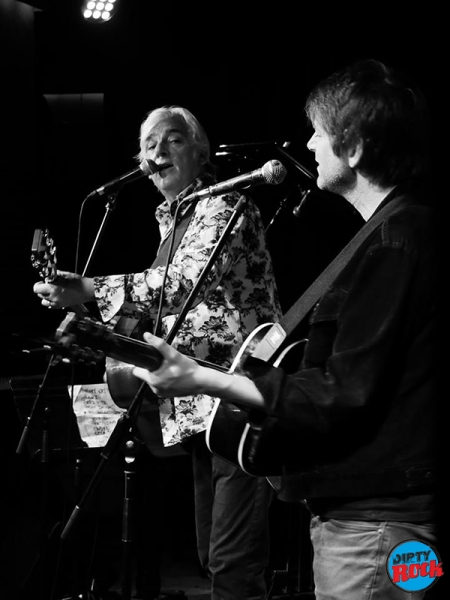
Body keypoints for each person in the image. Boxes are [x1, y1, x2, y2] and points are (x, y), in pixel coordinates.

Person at [131, 61, 442, 600]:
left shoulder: (396, 241)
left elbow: (338, 392)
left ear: (357, 147)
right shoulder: (386, 235)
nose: (310, 143)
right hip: (371, 521)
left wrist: (203, 379)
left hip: (379, 529)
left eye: (319, 131)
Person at [34, 105, 282, 599]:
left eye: (171, 141)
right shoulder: (175, 223)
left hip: (241, 396)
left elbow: (181, 282)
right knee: (213, 555)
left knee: (233, 564)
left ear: (200, 151)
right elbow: (167, 308)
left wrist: (89, 287)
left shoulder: (226, 207)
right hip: (199, 406)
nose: (157, 153)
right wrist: (91, 333)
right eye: (148, 146)